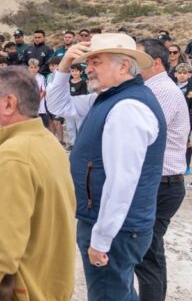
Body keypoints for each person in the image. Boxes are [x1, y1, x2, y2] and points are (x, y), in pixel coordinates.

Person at [46, 33, 166, 300]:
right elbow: (56, 104)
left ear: (123, 66)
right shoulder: (109, 97)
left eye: (96, 62)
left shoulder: (127, 107)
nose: (87, 68)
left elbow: (122, 182)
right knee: (119, 292)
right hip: (112, 224)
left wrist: (101, 239)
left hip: (116, 229)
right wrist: (64, 66)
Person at [0, 66, 76, 300]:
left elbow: (2, 246)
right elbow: (13, 191)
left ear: (9, 103)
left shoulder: (14, 154)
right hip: (47, 284)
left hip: (24, 289)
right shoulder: (43, 140)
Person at [134, 39, 189, 300]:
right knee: (149, 251)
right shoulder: (152, 88)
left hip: (163, 184)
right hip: (161, 182)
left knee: (147, 252)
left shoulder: (163, 91)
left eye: (138, 58)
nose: (133, 63)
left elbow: (146, 132)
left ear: (155, 62)